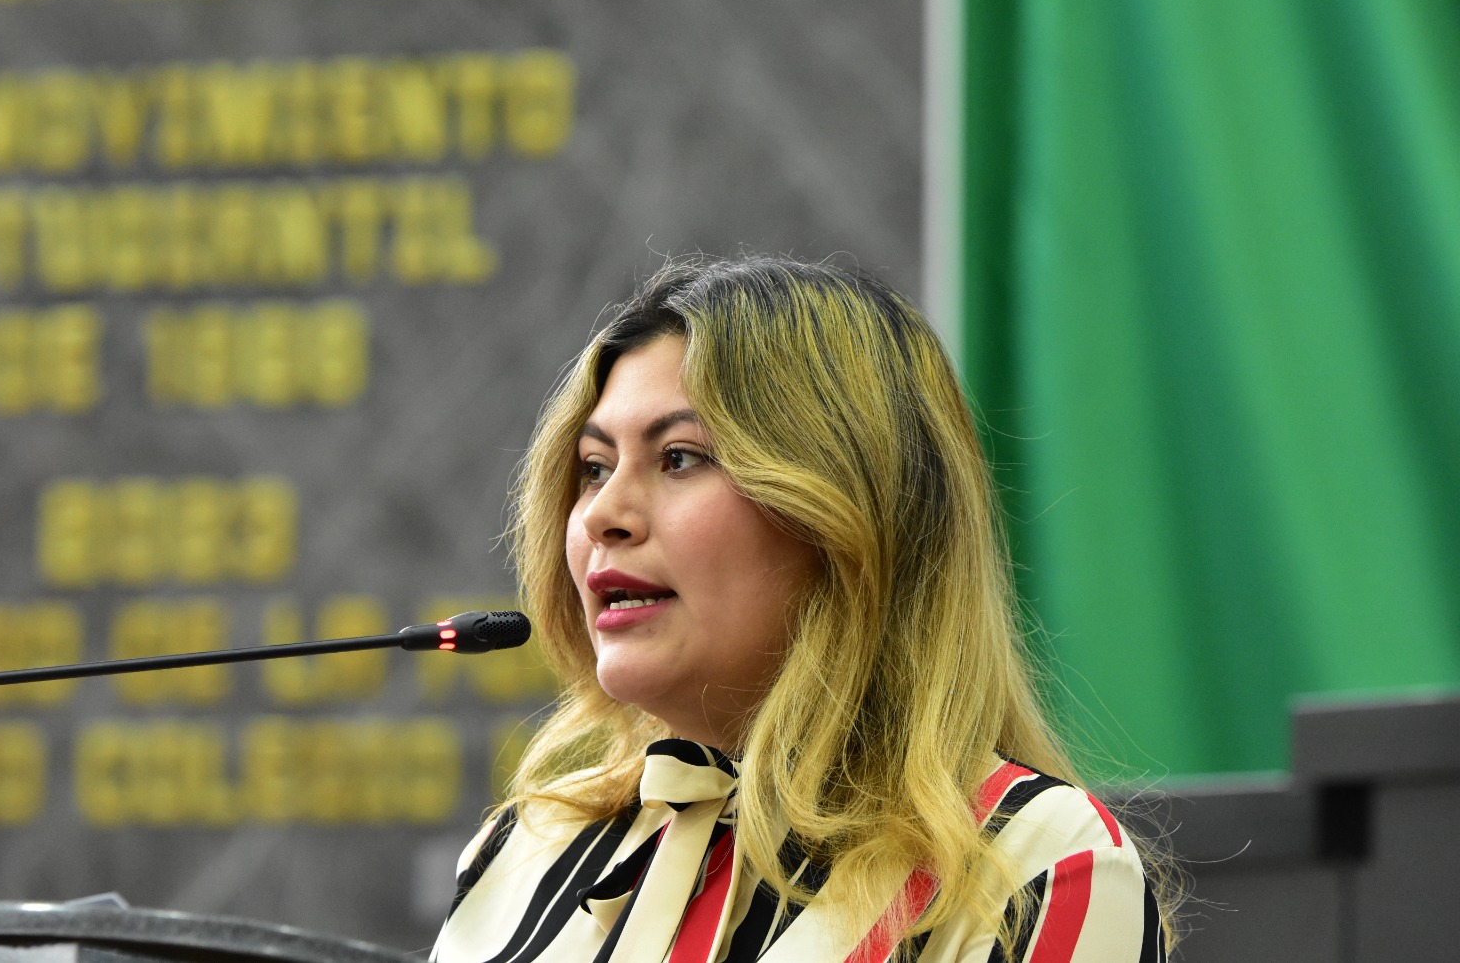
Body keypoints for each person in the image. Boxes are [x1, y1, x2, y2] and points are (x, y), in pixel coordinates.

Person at [431, 257, 1173, 963]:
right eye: (594, 468)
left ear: (850, 515)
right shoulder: (523, 847)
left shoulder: (1039, 863)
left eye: (680, 457)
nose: (602, 515)